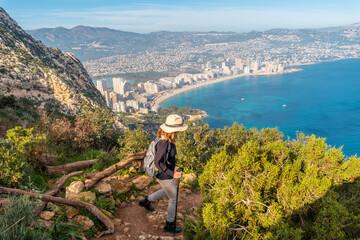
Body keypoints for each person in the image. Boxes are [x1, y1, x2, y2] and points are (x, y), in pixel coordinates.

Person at [138, 114, 188, 233]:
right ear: (174, 130)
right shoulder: (164, 143)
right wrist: (172, 173)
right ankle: (169, 225)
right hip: (164, 175)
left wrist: (174, 167)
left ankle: (146, 201)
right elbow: (158, 162)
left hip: (162, 173)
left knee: (167, 191)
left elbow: (163, 158)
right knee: (174, 198)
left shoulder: (160, 137)